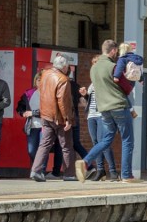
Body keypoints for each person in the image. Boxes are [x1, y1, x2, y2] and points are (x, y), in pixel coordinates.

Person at [77, 40, 139, 183]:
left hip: (104, 110)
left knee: (106, 139)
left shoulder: (93, 69)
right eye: (115, 52)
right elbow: (127, 89)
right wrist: (133, 78)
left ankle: (85, 162)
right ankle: (126, 175)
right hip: (119, 106)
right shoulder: (113, 67)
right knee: (127, 139)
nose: (116, 54)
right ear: (113, 51)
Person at [31, 55, 78, 182]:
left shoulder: (45, 74)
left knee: (44, 144)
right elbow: (63, 101)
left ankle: (35, 170)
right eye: (67, 66)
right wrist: (67, 119)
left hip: (46, 115)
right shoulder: (63, 79)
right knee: (67, 146)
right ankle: (69, 174)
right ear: (64, 66)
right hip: (59, 118)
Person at [84, 55, 116, 181]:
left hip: (102, 114)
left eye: (96, 63)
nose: (94, 66)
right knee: (95, 143)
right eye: (93, 64)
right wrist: (84, 95)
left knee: (104, 143)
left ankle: (113, 171)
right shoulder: (92, 84)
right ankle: (100, 170)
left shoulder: (104, 81)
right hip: (91, 115)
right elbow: (90, 100)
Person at [16, 71, 43, 166]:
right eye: (38, 80)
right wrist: (22, 112)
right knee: (31, 150)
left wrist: (33, 113)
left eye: (42, 80)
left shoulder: (49, 94)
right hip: (32, 126)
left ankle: (41, 171)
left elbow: (49, 111)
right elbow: (20, 106)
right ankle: (37, 167)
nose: (40, 82)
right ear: (35, 81)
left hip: (45, 126)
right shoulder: (29, 93)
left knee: (43, 150)